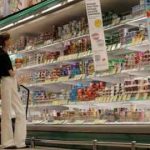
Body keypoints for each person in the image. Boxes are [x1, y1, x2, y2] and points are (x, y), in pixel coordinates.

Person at [0, 33, 27, 149]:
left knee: (12, 112)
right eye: (9, 39)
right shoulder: (3, 55)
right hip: (6, 82)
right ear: (5, 41)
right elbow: (11, 73)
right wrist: (18, 67)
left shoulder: (4, 54)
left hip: (9, 82)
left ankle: (16, 142)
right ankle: (9, 142)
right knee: (10, 112)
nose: (11, 40)